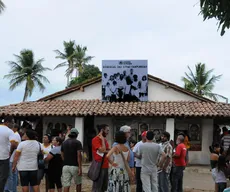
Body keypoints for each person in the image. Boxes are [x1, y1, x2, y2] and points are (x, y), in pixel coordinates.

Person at [61, 128, 83, 192]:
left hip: (65, 166)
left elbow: (62, 155)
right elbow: (78, 155)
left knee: (66, 185)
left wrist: (65, 161)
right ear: (76, 135)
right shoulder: (78, 143)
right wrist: (80, 167)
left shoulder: (64, 143)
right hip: (75, 166)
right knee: (78, 183)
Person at [91, 124, 110, 192]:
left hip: (105, 165)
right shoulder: (95, 139)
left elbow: (107, 151)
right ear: (102, 130)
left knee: (104, 187)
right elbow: (103, 150)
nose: (108, 132)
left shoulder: (104, 140)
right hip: (99, 165)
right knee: (97, 187)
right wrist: (102, 139)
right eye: (107, 130)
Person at [0, 116, 16, 192]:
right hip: (4, 157)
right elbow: (13, 144)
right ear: (7, 122)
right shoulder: (9, 131)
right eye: (12, 122)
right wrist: (10, 152)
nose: (13, 124)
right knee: (3, 177)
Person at [5, 123, 21, 192]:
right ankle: (13, 190)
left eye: (12, 128)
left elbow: (14, 146)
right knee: (14, 175)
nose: (11, 129)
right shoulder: (16, 134)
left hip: (12, 158)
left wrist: (9, 154)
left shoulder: (15, 135)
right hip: (14, 158)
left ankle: (10, 190)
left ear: (15, 128)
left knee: (10, 176)